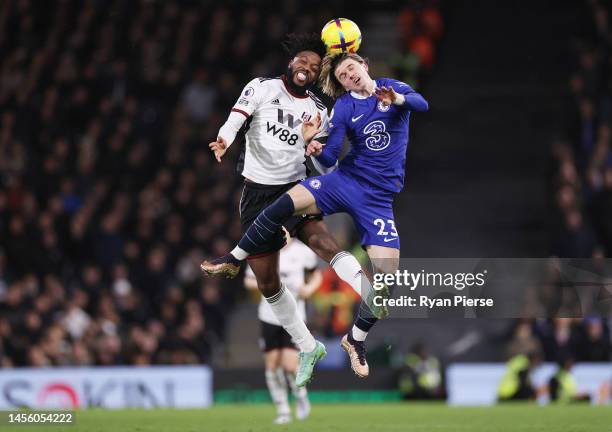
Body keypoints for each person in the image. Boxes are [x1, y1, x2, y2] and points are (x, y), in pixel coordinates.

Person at [202, 52, 429, 381]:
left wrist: (397, 98)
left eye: (351, 68)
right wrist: (314, 145)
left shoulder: (391, 88)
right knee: (285, 203)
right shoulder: (343, 108)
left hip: (378, 199)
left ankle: (355, 340)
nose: (348, 75)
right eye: (342, 75)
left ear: (364, 66)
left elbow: (421, 104)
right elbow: (331, 157)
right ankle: (234, 258)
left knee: (388, 282)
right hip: (345, 182)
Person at [244, 233, 321, 424]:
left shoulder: (303, 252)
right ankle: (283, 409)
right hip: (269, 315)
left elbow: (316, 275)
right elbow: (248, 280)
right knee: (272, 366)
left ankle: (301, 397)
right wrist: (267, 284)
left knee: (290, 366)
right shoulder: (262, 252)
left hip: (294, 316)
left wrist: (309, 289)